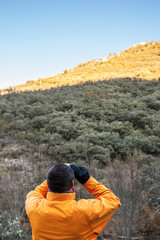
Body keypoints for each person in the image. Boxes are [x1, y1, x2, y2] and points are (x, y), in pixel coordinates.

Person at [25, 164, 121, 240]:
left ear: (48, 183)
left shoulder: (33, 207)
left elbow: (36, 192)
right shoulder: (84, 211)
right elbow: (112, 200)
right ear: (72, 184)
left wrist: (54, 177)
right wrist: (87, 180)